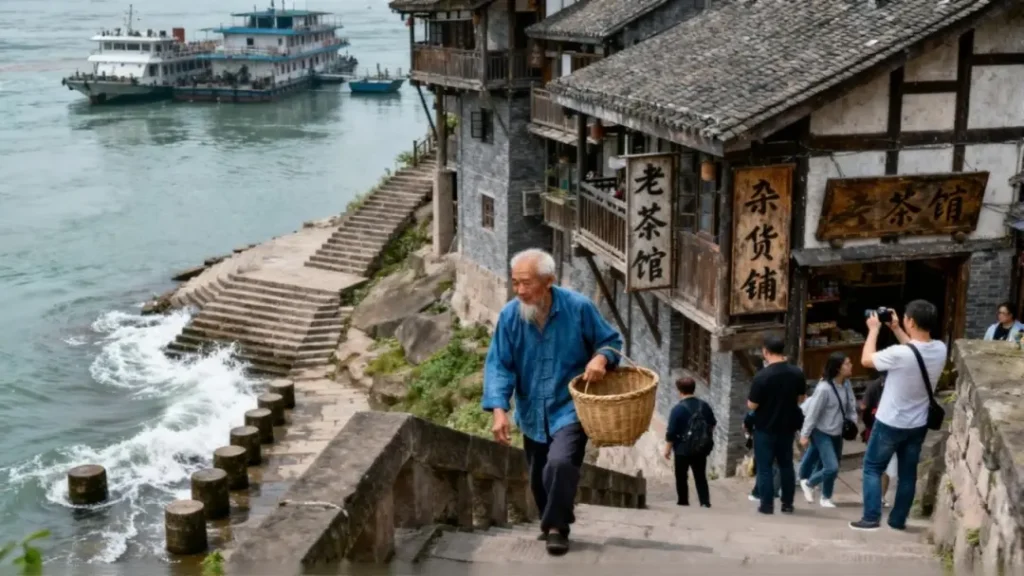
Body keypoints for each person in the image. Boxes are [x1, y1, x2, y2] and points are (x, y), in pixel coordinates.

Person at [481, 248, 623, 555]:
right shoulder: (510, 316)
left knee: (560, 463)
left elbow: (610, 341)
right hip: (532, 410)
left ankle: (557, 528)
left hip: (570, 407)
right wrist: (499, 410)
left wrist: (600, 358)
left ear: (548, 281)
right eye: (515, 282)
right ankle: (553, 519)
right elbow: (499, 365)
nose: (519, 290)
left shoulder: (578, 308)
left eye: (526, 283)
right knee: (538, 478)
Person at [850, 300, 946, 531]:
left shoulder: (898, 353)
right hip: (918, 424)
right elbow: (915, 350)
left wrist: (873, 330)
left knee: (872, 467)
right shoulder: (940, 349)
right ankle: (898, 520)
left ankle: (871, 518)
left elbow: (866, 359)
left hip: (890, 422)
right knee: (907, 474)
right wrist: (896, 329)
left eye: (905, 318)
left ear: (911, 321)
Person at [747, 334, 807, 515]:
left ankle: (766, 505)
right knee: (786, 465)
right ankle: (787, 504)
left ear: (766, 352)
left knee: (765, 467)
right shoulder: (796, 373)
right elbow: (801, 398)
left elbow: (752, 405)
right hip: (787, 426)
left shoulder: (762, 376)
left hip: (765, 427)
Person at [798, 352, 858, 508]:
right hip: (821, 432)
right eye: (847, 363)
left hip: (837, 431)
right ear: (838, 368)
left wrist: (853, 421)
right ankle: (809, 483)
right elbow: (813, 413)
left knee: (832, 465)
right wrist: (805, 434)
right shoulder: (824, 389)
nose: (851, 365)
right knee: (831, 467)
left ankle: (826, 497)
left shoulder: (846, 384)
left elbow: (851, 404)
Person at [663, 377, 717, 508]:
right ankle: (705, 502)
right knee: (700, 476)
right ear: (694, 388)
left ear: (680, 391)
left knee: (681, 477)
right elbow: (712, 424)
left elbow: (671, 432)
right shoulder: (704, 406)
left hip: (682, 449)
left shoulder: (677, 409)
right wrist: (702, 437)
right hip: (700, 449)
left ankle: (683, 502)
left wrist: (667, 449)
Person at [860, 374, 898, 508]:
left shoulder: (896, 384)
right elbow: (864, 408)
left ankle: (880, 497)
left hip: (890, 431)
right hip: (876, 430)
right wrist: (869, 425)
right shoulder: (875, 386)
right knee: (877, 467)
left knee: (884, 468)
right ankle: (875, 497)